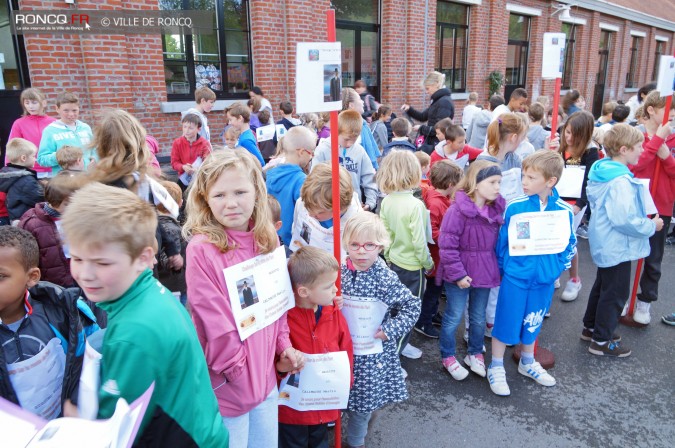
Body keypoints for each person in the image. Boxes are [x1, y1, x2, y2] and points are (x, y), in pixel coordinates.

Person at [60, 183, 227, 445]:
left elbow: (114, 428)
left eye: (102, 263)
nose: (85, 274)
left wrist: (79, 423)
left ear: (142, 257)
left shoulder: (134, 333)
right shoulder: (146, 292)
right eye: (77, 259)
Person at [183, 150, 302, 446]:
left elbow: (277, 304)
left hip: (264, 377)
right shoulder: (202, 250)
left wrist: (283, 345)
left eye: (240, 191)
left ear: (257, 192)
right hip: (228, 383)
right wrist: (238, 372)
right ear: (204, 199)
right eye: (220, 194)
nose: (232, 203)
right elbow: (213, 322)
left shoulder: (267, 239)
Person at [488, 151, 576, 396]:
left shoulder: (563, 211)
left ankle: (528, 361)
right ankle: (495, 366)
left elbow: (570, 244)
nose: (524, 181)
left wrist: (556, 268)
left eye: (530, 177)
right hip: (516, 278)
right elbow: (502, 243)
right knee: (505, 320)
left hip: (544, 280)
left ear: (550, 181)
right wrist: (507, 270)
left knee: (533, 321)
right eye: (523, 175)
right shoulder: (515, 206)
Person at [0, 226, 103, 420]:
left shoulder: (65, 313)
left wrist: (78, 403)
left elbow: (92, 362)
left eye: (0, 276)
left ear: (32, 277)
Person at [340, 212, 420, 448]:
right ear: (346, 244)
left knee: (362, 407)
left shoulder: (384, 277)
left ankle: (356, 442)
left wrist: (389, 329)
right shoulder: (338, 272)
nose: (361, 251)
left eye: (369, 245)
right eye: (355, 244)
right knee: (337, 396)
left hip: (370, 354)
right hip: (340, 350)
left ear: (381, 245)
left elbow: (411, 306)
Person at [583, 124, 661, 355]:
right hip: (617, 243)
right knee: (616, 293)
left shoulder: (603, 171)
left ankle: (591, 327)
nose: (642, 150)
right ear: (624, 149)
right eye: (639, 147)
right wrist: (651, 226)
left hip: (606, 240)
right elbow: (625, 218)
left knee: (602, 286)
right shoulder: (620, 181)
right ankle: (601, 341)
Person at [279, 246, 353, 448]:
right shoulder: (283, 320)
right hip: (291, 409)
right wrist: (280, 369)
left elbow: (345, 348)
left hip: (323, 402)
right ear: (303, 291)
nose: (336, 290)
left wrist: (345, 381)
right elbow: (273, 361)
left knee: (320, 442)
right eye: (329, 286)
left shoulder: (332, 312)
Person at [437, 160, 504, 380]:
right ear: (476, 182)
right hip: (459, 273)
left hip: (484, 270)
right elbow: (447, 245)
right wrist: (458, 274)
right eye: (493, 182)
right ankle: (447, 356)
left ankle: (475, 352)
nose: (497, 187)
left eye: (499, 183)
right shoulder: (457, 211)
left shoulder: (496, 210)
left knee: (478, 317)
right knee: (454, 316)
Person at [377, 150, 433, 361]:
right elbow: (420, 242)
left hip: (394, 264)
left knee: (394, 311)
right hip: (413, 267)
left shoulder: (387, 201)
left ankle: (401, 345)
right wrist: (428, 263)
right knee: (409, 313)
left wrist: (389, 257)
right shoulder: (416, 205)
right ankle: (395, 356)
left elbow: (386, 235)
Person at [629, 90, 675, 325]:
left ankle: (644, 302)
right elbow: (635, 165)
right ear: (651, 110)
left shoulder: (673, 139)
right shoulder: (635, 135)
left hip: (661, 206)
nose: (674, 115)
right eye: (670, 109)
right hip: (635, 203)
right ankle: (621, 298)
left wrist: (667, 155)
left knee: (653, 259)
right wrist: (657, 140)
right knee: (625, 255)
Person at [415, 160, 463, 339]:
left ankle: (432, 313)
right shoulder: (437, 203)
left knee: (435, 290)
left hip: (439, 256)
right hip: (437, 258)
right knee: (433, 291)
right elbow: (432, 230)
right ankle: (423, 321)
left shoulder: (437, 197)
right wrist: (449, 238)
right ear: (450, 185)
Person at [557, 111, 600, 301]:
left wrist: (580, 205)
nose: (569, 137)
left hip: (575, 203)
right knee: (553, 238)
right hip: (555, 199)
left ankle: (574, 279)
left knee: (569, 240)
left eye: (575, 134)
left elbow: (588, 183)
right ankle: (554, 273)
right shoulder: (559, 147)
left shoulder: (590, 152)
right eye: (567, 132)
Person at [18, 171, 87, 287]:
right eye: (67, 204)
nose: (73, 207)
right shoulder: (33, 223)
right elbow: (27, 258)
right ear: (54, 200)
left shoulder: (79, 215)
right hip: (54, 281)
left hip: (79, 274)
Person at [289, 164, 361, 261]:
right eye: (308, 207)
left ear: (340, 208)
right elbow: (296, 229)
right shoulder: (302, 203)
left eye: (319, 212)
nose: (310, 214)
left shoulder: (357, 220)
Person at [312, 110, 378, 212]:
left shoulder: (359, 151)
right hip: (328, 208)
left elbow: (369, 178)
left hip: (354, 207)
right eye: (346, 139)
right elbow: (314, 179)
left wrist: (370, 203)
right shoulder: (323, 150)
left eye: (354, 140)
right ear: (336, 131)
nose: (349, 144)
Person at [266, 126, 317, 247]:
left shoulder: (271, 173)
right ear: (301, 152)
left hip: (274, 238)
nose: (312, 157)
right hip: (293, 242)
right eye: (311, 153)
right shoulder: (301, 180)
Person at [38, 92, 94, 176]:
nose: (71, 114)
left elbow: (94, 150)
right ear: (57, 109)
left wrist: (95, 160)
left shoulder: (85, 127)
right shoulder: (50, 131)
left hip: (88, 178)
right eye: (66, 110)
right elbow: (42, 159)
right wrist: (60, 156)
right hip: (64, 181)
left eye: (74, 110)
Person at [401, 71, 455, 154]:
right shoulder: (438, 101)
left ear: (436, 84)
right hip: (433, 142)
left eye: (428, 88)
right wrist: (409, 109)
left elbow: (440, 128)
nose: (427, 91)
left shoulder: (443, 102)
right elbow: (422, 116)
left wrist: (421, 128)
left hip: (438, 143)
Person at [8, 87, 56, 178]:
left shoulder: (54, 122)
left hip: (53, 168)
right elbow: (12, 148)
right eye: (27, 103)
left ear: (44, 103)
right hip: (30, 170)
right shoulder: (19, 123)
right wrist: (11, 170)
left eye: (34, 102)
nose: (30, 106)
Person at [156, 180, 187, 306]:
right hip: (175, 287)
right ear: (180, 203)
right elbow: (168, 257)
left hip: (163, 285)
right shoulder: (172, 229)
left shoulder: (155, 225)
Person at [0, 139, 44, 224]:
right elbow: (40, 199)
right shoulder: (26, 181)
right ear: (23, 158)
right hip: (26, 220)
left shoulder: (6, 173)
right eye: (33, 156)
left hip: (13, 218)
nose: (35, 159)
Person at [341, 88, 381, 168]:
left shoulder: (363, 124)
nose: (362, 102)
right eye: (359, 99)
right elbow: (372, 156)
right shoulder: (359, 126)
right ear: (351, 105)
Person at [171, 113, 212, 190]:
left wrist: (197, 170)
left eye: (190, 128)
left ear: (198, 129)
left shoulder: (204, 144)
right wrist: (183, 167)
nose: (186, 130)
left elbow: (208, 163)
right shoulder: (177, 143)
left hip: (199, 180)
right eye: (185, 127)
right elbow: (174, 163)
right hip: (183, 179)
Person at [227, 102, 265, 166]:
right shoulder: (245, 135)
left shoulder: (246, 140)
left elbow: (261, 163)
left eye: (230, 120)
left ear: (240, 118)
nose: (229, 123)